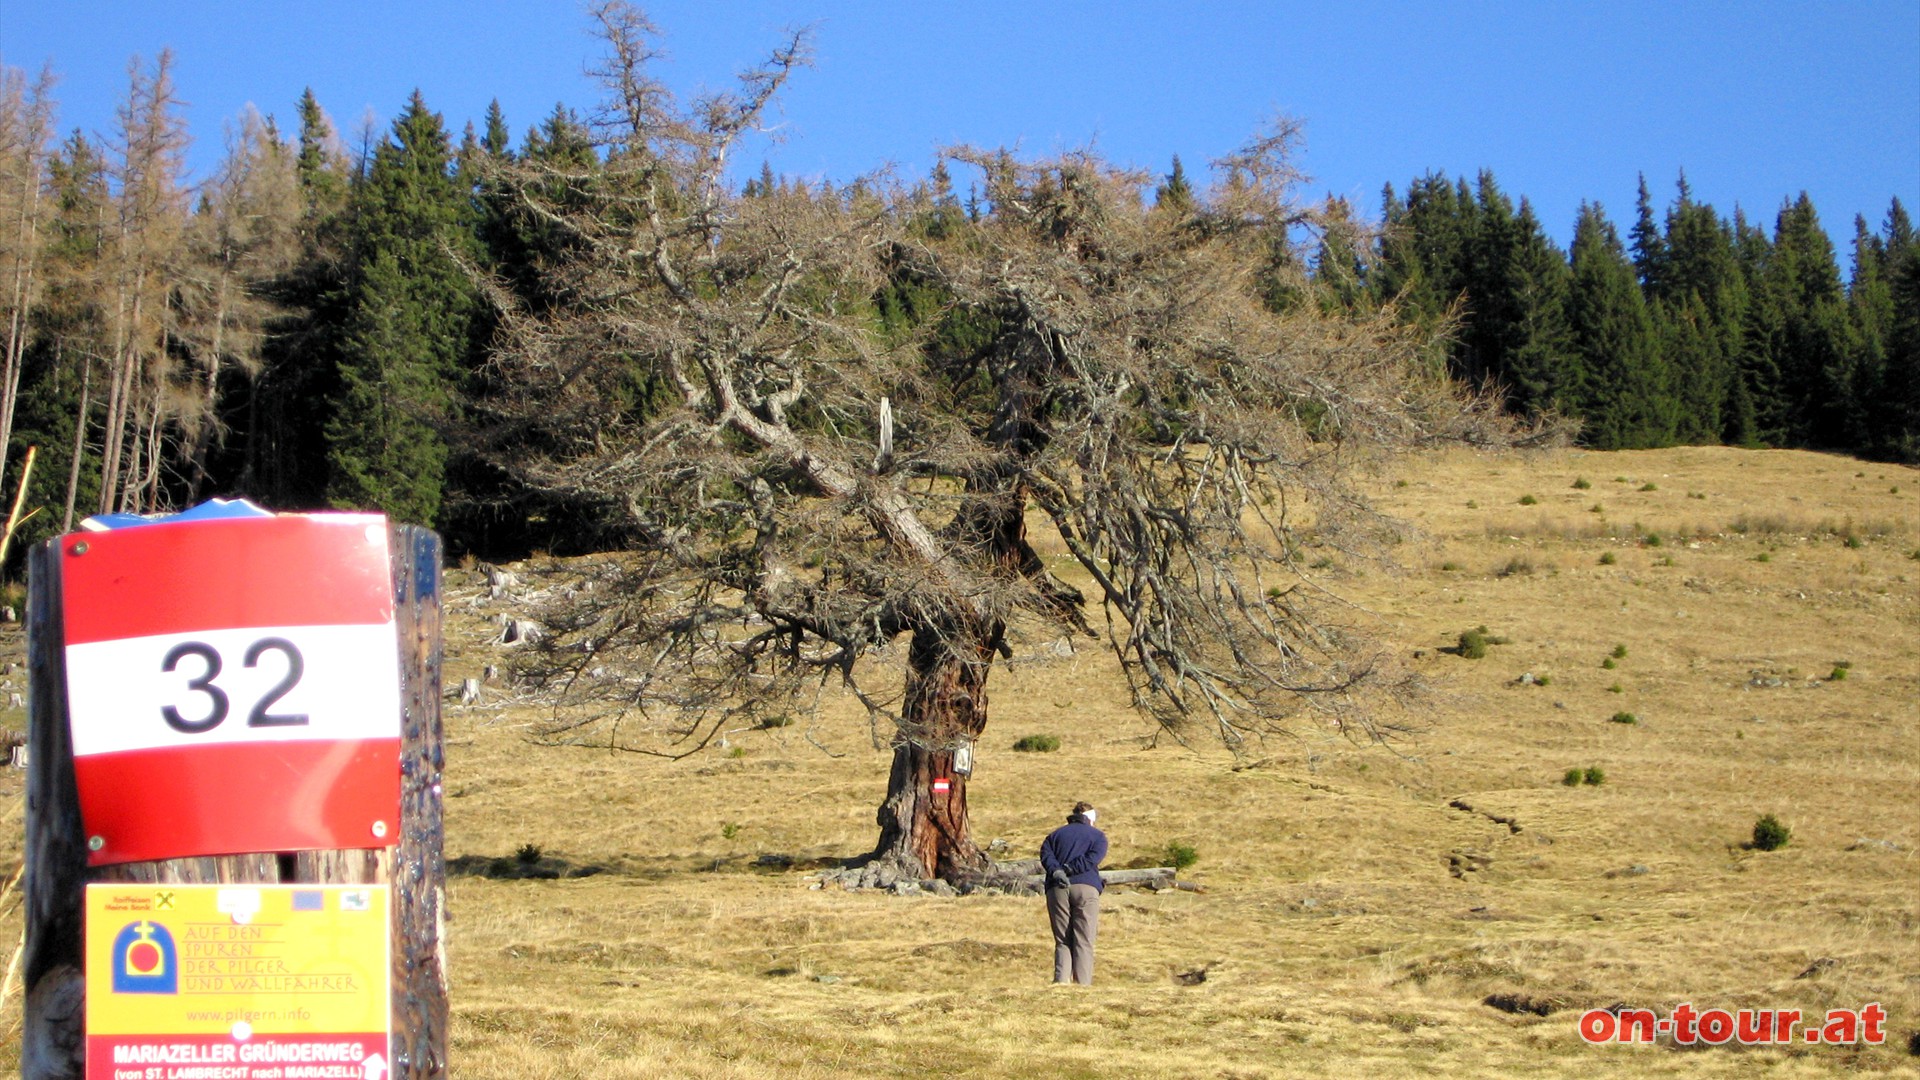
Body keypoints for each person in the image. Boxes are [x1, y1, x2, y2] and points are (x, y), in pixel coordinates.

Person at [1039, 801, 1107, 985]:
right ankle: (1083, 986)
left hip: (1057, 888)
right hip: (1086, 887)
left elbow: (1046, 856)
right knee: (1084, 940)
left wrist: (1058, 871)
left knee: (1063, 939)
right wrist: (1071, 868)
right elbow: (1093, 858)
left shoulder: (1053, 836)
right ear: (1091, 818)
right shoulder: (1098, 836)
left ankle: (1061, 983)